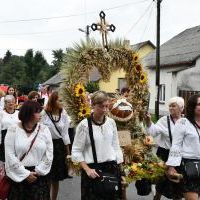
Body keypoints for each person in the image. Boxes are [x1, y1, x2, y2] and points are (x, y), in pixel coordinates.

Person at [72, 90, 123, 200]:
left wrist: (120, 172)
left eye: (106, 106)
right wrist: (87, 169)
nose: (104, 110)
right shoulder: (84, 125)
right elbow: (76, 151)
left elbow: (116, 146)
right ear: (93, 105)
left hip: (111, 169)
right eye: (101, 106)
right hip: (93, 171)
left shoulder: (111, 123)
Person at [4, 101, 53, 200]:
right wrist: (25, 174)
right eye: (37, 112)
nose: (41, 114)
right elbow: (9, 155)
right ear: (28, 113)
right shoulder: (13, 130)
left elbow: (49, 153)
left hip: (38, 177)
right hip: (18, 177)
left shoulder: (44, 129)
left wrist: (37, 171)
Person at [145, 96, 184, 200]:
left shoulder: (185, 121)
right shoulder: (164, 120)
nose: (171, 108)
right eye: (170, 106)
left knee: (178, 185)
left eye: (173, 106)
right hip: (164, 154)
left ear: (181, 108)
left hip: (180, 156)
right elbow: (153, 132)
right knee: (160, 185)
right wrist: (148, 122)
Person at [166, 94, 200, 200]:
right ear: (192, 106)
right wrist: (171, 167)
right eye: (199, 104)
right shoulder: (183, 122)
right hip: (189, 167)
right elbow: (176, 145)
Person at [41, 91, 70, 200]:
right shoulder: (44, 113)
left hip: (59, 147)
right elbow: (40, 131)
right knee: (47, 176)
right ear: (53, 100)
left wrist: (68, 153)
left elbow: (65, 134)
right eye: (59, 100)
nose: (62, 102)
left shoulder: (64, 114)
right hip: (46, 146)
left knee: (56, 178)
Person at [0, 95, 20, 162]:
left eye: (12, 101)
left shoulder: (18, 113)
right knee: (5, 159)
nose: (11, 103)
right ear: (5, 104)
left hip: (17, 137)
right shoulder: (1, 114)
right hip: (5, 137)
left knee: (16, 158)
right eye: (8, 102)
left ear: (15, 103)